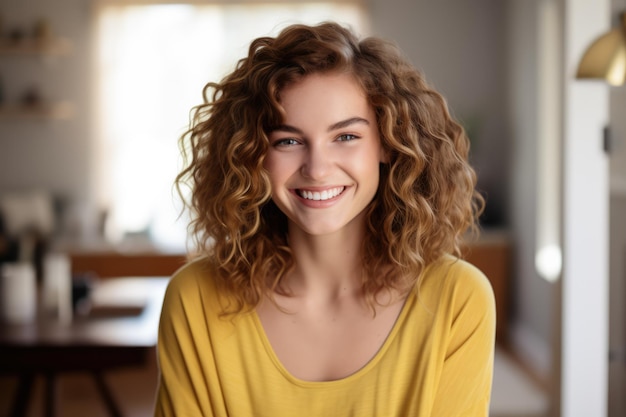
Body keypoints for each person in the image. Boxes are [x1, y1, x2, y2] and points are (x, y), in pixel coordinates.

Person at [154, 21, 495, 417]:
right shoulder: (195, 299)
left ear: (387, 142)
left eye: (346, 136)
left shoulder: (458, 300)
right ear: (254, 155)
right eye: (288, 141)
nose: (316, 169)